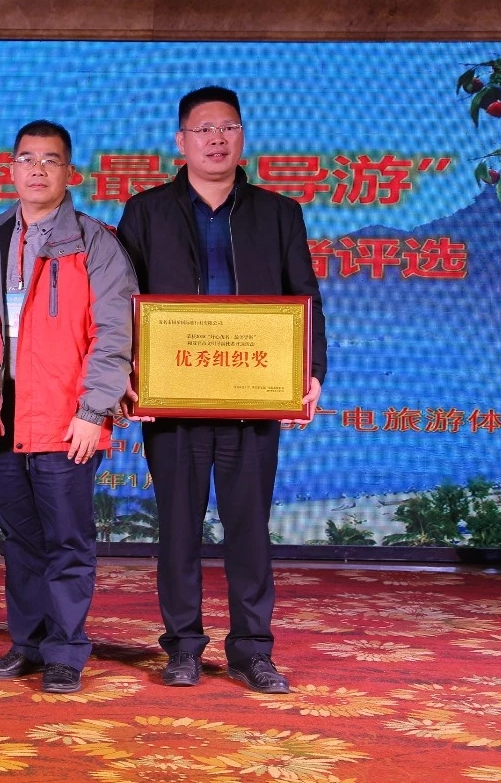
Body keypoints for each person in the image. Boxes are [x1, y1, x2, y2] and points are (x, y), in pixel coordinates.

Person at [116, 86, 327, 694]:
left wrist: (310, 371)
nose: (216, 139)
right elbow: (122, 300)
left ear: (242, 137)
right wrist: (126, 370)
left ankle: (252, 650)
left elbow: (305, 297)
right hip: (173, 399)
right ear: (180, 141)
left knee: (249, 529)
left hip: (251, 397)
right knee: (177, 529)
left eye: (227, 127)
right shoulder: (146, 211)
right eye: (203, 129)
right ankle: (182, 646)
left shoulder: (278, 212)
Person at [0, 120, 137, 694]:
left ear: (70, 172)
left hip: (67, 417)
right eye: (27, 159)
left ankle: (66, 651)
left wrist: (93, 412)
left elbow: (114, 334)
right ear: (10, 169)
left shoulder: (96, 243)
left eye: (50, 160)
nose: (37, 170)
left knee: (67, 539)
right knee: (20, 540)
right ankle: (27, 643)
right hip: (2, 416)